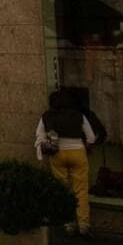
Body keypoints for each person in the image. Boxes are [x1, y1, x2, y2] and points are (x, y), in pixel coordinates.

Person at [34, 88, 99, 236]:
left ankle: (68, 223)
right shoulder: (78, 116)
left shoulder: (47, 116)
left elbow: (39, 134)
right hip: (77, 152)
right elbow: (91, 138)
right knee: (81, 189)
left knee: (63, 188)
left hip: (57, 153)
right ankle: (84, 224)